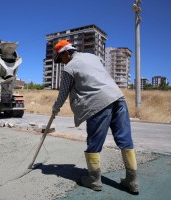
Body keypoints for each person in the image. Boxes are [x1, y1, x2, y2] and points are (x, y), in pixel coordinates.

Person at [52, 40, 139, 193]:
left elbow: (63, 92)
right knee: (124, 139)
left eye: (61, 59)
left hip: (97, 102)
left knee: (94, 142)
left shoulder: (69, 67)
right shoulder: (93, 57)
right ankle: (132, 182)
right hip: (117, 97)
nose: (61, 63)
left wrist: (56, 108)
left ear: (67, 52)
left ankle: (94, 180)